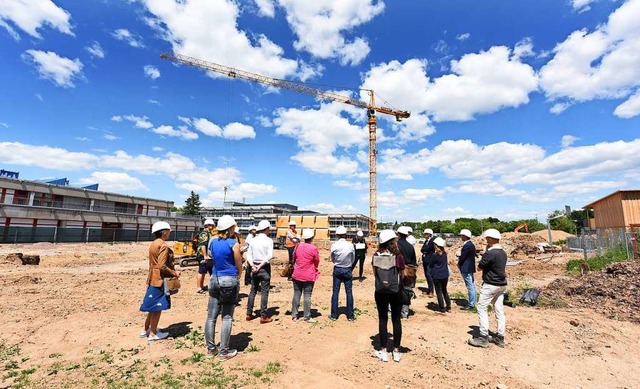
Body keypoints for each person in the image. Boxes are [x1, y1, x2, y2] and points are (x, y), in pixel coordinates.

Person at [205, 215, 243, 360]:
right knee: (227, 317)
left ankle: (211, 349)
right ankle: (224, 351)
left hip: (214, 279)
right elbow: (238, 261)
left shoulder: (213, 242)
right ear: (229, 229)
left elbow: (211, 256)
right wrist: (239, 274)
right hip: (229, 280)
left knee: (211, 317)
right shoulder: (233, 244)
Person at [139, 221, 181, 341]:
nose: (169, 233)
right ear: (164, 232)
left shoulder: (153, 244)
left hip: (152, 277)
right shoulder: (163, 245)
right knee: (157, 306)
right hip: (159, 280)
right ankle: (153, 334)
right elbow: (162, 266)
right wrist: (174, 273)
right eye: (168, 231)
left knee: (152, 305)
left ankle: (146, 329)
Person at [468, 228, 508, 348]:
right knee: (499, 310)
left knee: (481, 308)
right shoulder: (503, 253)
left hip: (490, 284)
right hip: (502, 284)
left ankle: (483, 337)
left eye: (487, 239)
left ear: (490, 239)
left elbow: (479, 268)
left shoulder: (490, 253)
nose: (486, 241)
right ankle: (500, 337)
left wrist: (484, 254)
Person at [372, 229, 405, 363]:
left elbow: (375, 273)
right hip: (395, 291)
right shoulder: (398, 256)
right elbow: (403, 274)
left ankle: (384, 351)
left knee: (383, 319)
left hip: (380, 291)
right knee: (396, 320)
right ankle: (396, 351)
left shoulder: (376, 255)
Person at [246, 220, 274, 324]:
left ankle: (249, 313)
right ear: (266, 229)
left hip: (254, 267)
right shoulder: (269, 241)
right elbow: (269, 256)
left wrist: (253, 266)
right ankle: (263, 315)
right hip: (264, 267)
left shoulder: (253, 240)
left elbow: (249, 255)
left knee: (253, 290)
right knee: (264, 292)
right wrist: (260, 266)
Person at [291, 229, 320, 322]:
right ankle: (306, 316)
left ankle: (294, 314)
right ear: (312, 238)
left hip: (297, 273)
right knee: (307, 295)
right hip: (308, 274)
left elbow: (293, 258)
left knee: (296, 294)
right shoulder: (314, 248)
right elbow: (316, 261)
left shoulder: (298, 246)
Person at [329, 225, 355, 321]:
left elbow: (332, 258)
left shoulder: (334, 245)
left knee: (335, 292)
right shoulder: (350, 245)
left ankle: (334, 315)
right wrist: (348, 264)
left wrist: (337, 263)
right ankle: (350, 315)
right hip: (347, 269)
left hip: (338, 268)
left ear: (337, 235)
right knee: (349, 292)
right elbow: (353, 258)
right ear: (345, 234)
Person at [397, 226, 417, 320]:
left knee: (395, 290)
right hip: (409, 271)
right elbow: (414, 261)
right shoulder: (410, 246)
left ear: (399, 234)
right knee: (407, 291)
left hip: (398, 270)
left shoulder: (396, 245)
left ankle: (393, 311)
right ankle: (405, 313)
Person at [457, 229, 477, 310]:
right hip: (470, 267)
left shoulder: (467, 245)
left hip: (466, 267)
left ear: (465, 236)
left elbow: (463, 257)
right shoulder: (471, 244)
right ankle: (473, 301)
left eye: (461, 235)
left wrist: (459, 262)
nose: (461, 237)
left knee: (470, 286)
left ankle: (471, 304)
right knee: (472, 285)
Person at [430, 237, 451, 313]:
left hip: (437, 275)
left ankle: (442, 308)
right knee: (444, 290)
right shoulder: (445, 254)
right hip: (445, 275)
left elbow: (431, 264)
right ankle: (448, 306)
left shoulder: (435, 255)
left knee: (438, 291)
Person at [196, 219, 215, 294]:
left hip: (206, 255)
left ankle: (201, 286)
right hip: (202, 255)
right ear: (207, 225)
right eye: (211, 225)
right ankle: (199, 287)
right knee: (201, 271)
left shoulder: (209, 233)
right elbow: (203, 244)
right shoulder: (204, 233)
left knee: (203, 272)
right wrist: (205, 255)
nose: (213, 226)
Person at [420, 228, 435, 297]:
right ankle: (429, 289)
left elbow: (427, 249)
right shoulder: (426, 241)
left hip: (429, 261)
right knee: (426, 275)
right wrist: (424, 250)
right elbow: (422, 249)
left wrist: (424, 250)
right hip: (425, 260)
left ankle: (431, 291)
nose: (425, 235)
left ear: (429, 234)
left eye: (426, 234)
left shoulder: (432, 241)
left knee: (429, 275)